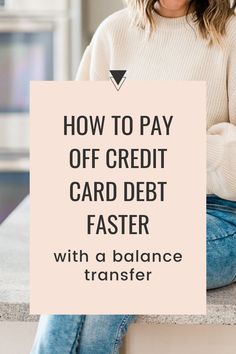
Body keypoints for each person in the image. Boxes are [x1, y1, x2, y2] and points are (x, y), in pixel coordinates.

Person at [31, 1, 236, 353]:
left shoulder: (230, 35)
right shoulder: (114, 33)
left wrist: (165, 142)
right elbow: (76, 147)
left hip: (218, 216)